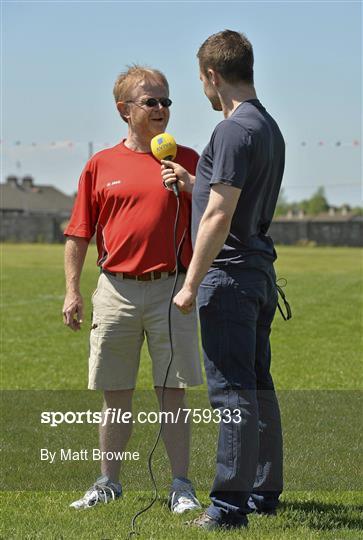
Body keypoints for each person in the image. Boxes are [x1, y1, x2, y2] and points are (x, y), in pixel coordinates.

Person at [62, 65, 203, 512]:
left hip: (171, 290)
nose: (162, 109)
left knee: (173, 394)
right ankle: (108, 482)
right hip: (115, 290)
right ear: (124, 110)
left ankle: (181, 486)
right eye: (151, 101)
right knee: (115, 393)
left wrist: (190, 186)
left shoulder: (188, 159)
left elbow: (218, 219)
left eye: (166, 101)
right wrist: (73, 291)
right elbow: (79, 233)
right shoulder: (100, 165)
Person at [161, 30, 284, 529]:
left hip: (229, 277)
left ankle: (228, 509)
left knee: (232, 392)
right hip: (256, 272)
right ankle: (262, 493)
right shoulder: (266, 126)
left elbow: (219, 215)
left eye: (201, 81)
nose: (203, 90)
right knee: (257, 387)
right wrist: (195, 185)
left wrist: (190, 283)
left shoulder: (232, 130)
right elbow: (225, 196)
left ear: (213, 76)